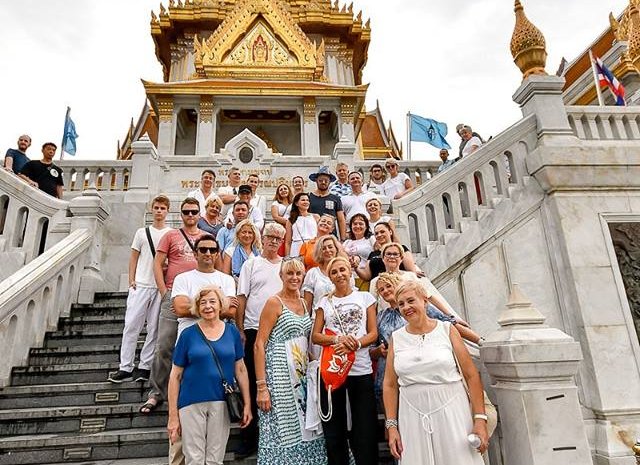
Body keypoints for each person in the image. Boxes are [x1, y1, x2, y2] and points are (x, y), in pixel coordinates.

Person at [383, 280, 488, 464]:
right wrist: (392, 425)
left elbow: (471, 375)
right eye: (401, 304)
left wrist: (480, 418)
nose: (406, 307)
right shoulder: (396, 338)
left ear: (425, 301)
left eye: (410, 300)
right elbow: (390, 384)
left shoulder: (447, 329)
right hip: (411, 415)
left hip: (452, 410)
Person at [167, 285, 252, 465]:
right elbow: (175, 376)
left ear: (221, 304)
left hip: (221, 401)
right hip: (190, 402)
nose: (208, 306)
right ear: (197, 307)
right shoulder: (188, 335)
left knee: (215, 459)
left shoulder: (232, 333)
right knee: (194, 459)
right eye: (203, 302)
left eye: (212, 301)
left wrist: (248, 404)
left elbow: (241, 369)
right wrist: (173, 416)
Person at [254, 259, 327, 465]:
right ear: (281, 276)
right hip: (279, 373)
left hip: (302, 374)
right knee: (284, 427)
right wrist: (262, 386)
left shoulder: (305, 303)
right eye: (290, 274)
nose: (294, 278)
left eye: (298, 273)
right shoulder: (274, 302)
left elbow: (305, 341)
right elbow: (259, 344)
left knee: (307, 425)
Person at [311, 256, 378, 465]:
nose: (339, 274)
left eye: (342, 270)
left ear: (350, 272)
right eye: (334, 272)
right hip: (333, 369)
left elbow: (373, 333)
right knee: (334, 426)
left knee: (364, 425)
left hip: (360, 367)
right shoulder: (325, 301)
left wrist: (356, 344)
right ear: (330, 277)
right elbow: (316, 335)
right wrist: (338, 339)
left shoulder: (366, 298)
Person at [140, 197, 204, 415]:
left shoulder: (207, 238)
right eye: (186, 212)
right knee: (164, 345)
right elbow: (157, 263)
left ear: (199, 213)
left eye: (194, 212)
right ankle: (156, 392)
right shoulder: (171, 235)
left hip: (198, 299)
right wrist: (163, 291)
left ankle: (190, 390)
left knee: (198, 347)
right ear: (181, 214)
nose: (190, 216)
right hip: (172, 295)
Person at [108, 195, 172, 383]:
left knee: (154, 328)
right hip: (142, 283)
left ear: (167, 211)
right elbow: (134, 257)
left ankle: (144, 366)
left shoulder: (170, 233)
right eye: (157, 207)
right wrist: (131, 279)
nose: (159, 211)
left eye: (163, 208)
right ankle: (125, 366)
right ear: (152, 209)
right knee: (131, 326)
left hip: (159, 286)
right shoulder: (141, 233)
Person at [235, 223, 285, 458]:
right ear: (262, 239)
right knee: (254, 384)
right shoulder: (251, 264)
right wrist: (241, 328)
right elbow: (242, 297)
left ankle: (277, 435)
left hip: (280, 331)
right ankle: (249, 438)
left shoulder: (286, 266)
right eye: (270, 237)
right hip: (254, 331)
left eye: (278, 238)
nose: (273, 241)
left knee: (278, 385)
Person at [369, 243, 481, 344]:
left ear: (401, 258)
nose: (391, 257)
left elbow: (429, 296)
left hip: (416, 313)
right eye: (388, 254)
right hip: (392, 320)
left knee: (448, 324)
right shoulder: (376, 281)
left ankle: (480, 341)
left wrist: (450, 315)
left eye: (395, 254)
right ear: (383, 258)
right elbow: (372, 307)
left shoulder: (410, 276)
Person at [172, 235, 237, 339]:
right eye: (203, 250)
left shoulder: (227, 280)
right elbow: (180, 309)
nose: (208, 253)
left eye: (212, 250)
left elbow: (231, 311)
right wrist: (219, 306)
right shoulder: (182, 278)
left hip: (219, 336)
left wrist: (193, 305)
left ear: (217, 254)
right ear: (195, 254)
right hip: (189, 336)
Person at [353, 222, 420, 282]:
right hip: (380, 288)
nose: (379, 235)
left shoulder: (402, 249)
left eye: (382, 232)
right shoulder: (373, 254)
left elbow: (411, 272)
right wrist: (356, 267)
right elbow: (367, 276)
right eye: (376, 233)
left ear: (390, 232)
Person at [302, 235, 351, 313]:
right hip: (318, 320)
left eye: (330, 247)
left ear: (336, 249)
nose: (327, 250)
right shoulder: (312, 273)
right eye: (323, 248)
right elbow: (307, 306)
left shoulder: (345, 272)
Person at [308, 166, 346, 241]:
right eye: (321, 180)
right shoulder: (308, 197)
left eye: (326, 180)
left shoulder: (335, 198)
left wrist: (343, 238)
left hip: (331, 237)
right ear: (316, 181)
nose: (323, 182)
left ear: (330, 182)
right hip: (312, 236)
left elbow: (341, 219)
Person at [285, 193, 317, 258]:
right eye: (303, 200)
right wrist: (287, 257)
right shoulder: (291, 220)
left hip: (312, 247)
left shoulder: (316, 217)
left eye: (307, 200)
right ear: (296, 203)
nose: (306, 202)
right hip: (296, 248)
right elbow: (288, 242)